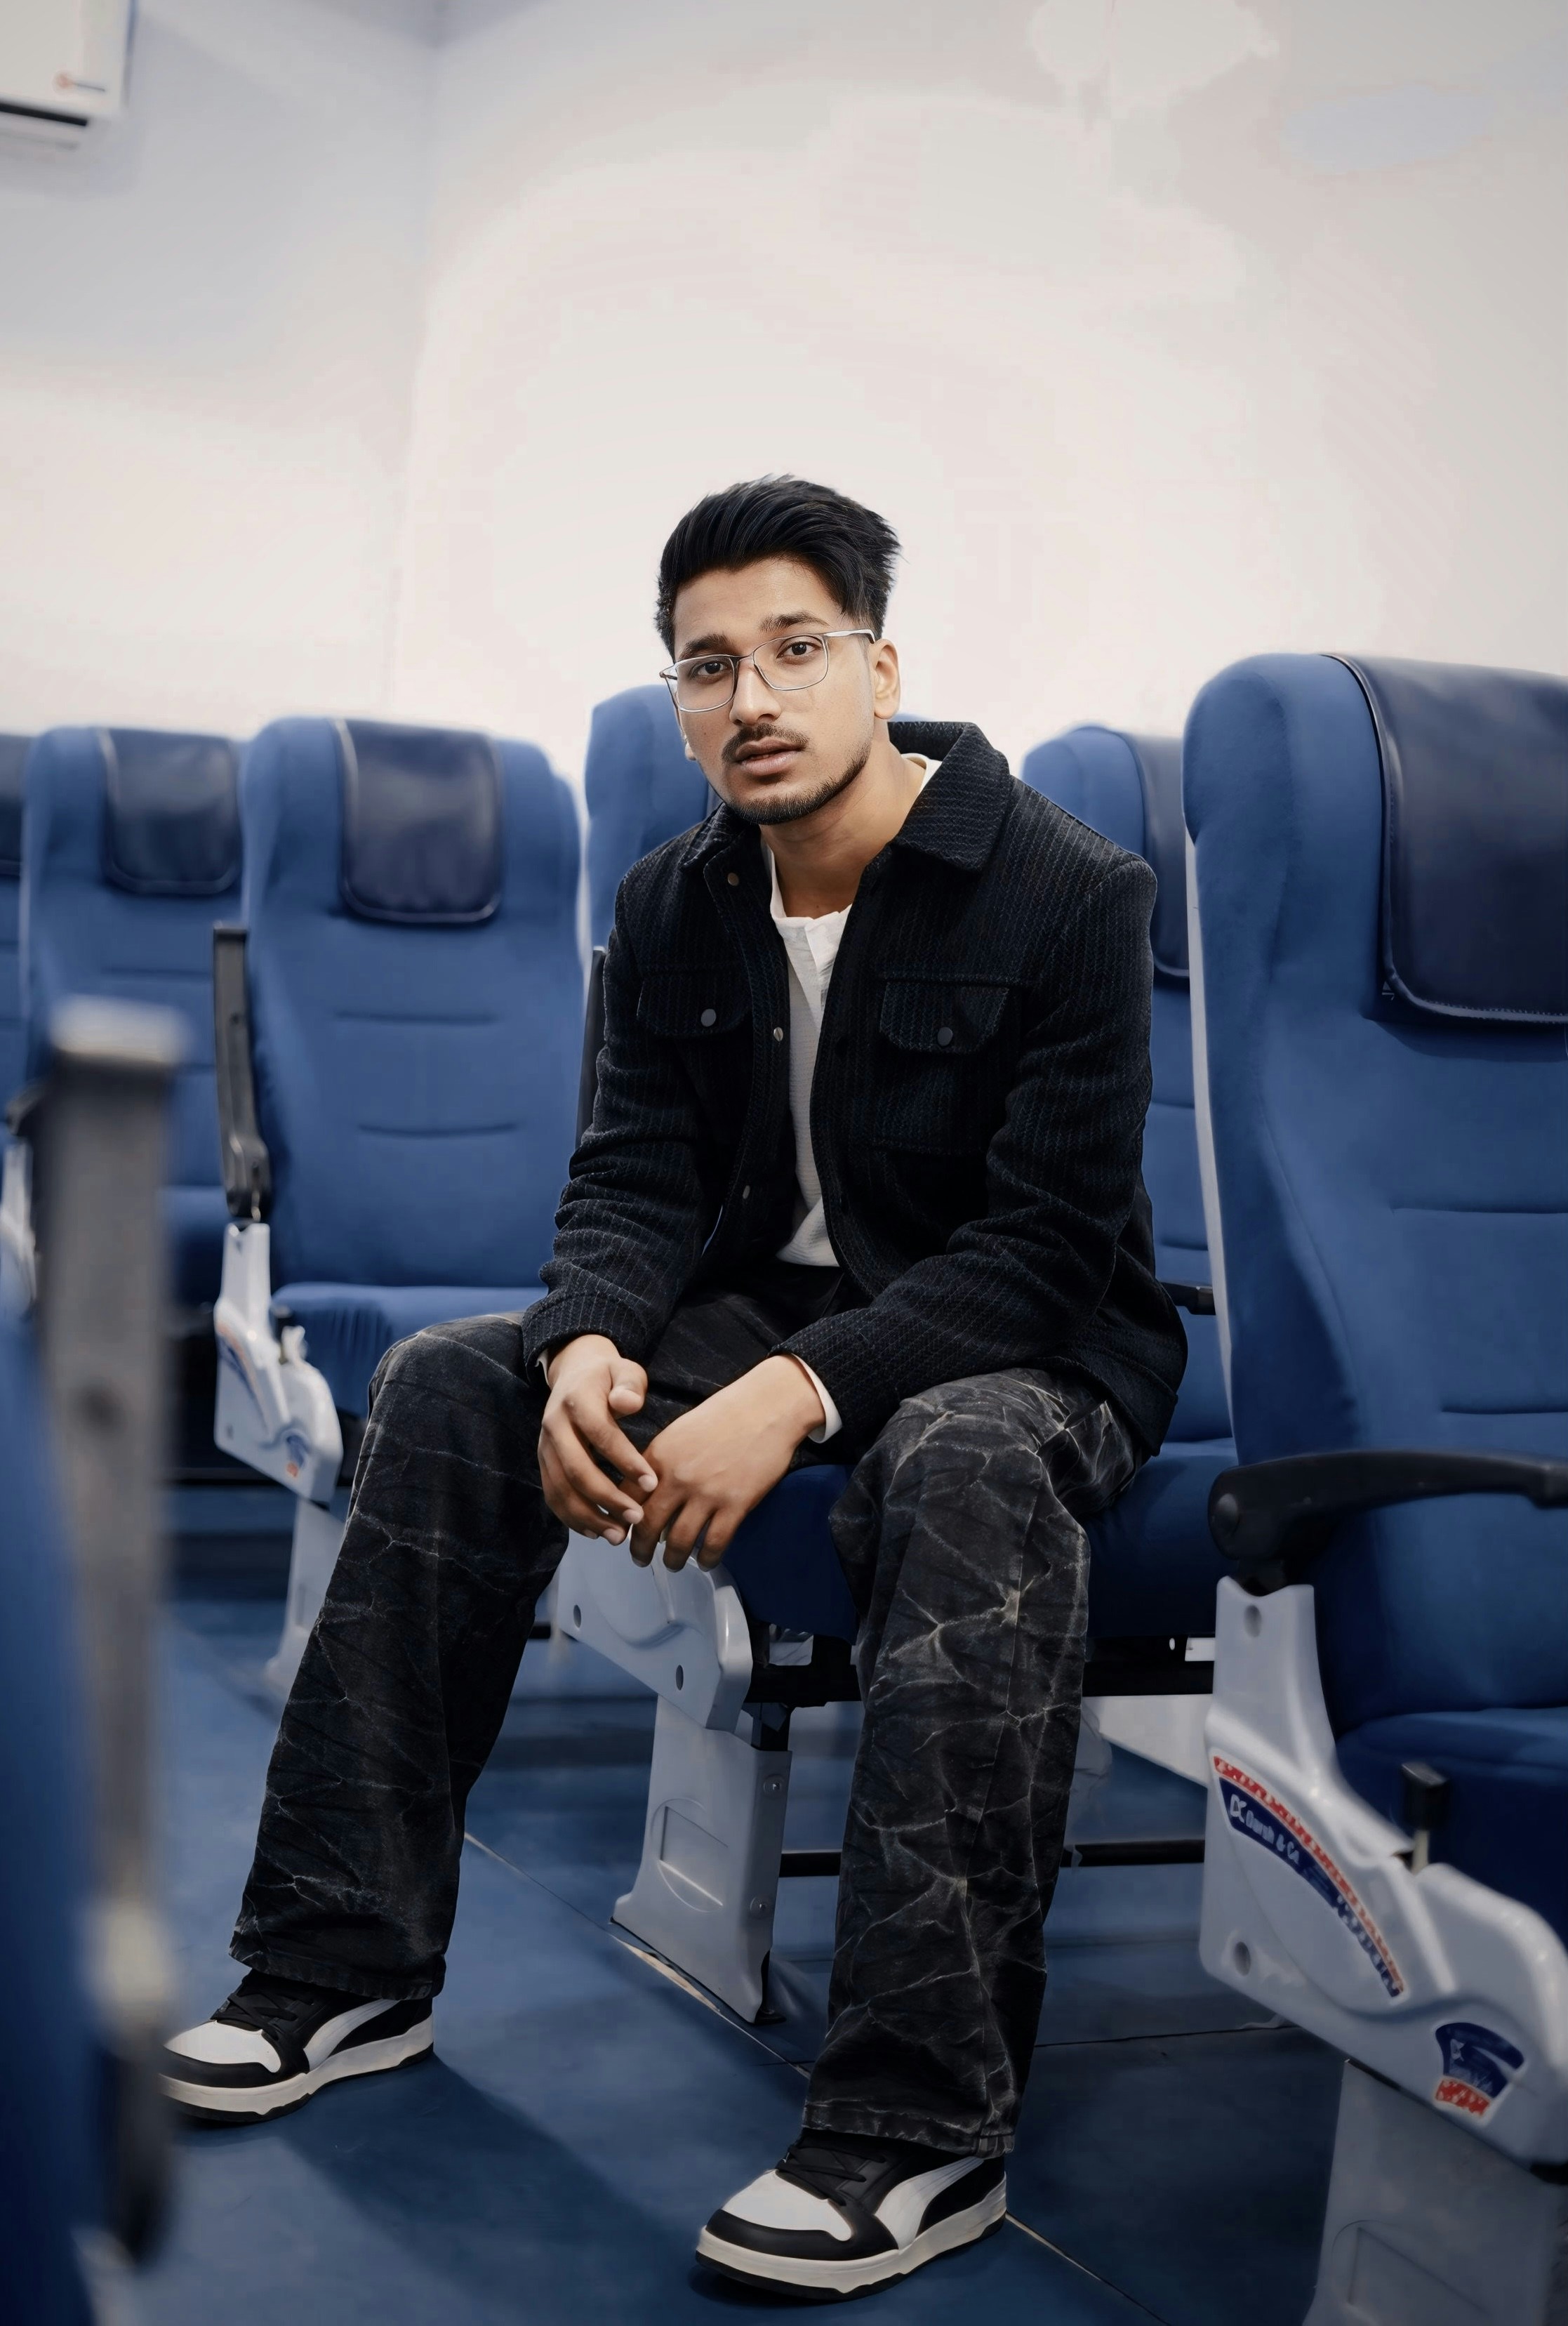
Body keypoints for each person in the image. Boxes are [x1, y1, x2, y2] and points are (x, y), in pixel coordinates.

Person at [161, 476, 1186, 2300]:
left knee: (962, 1459)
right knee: (452, 1381)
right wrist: (585, 1340)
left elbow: (1041, 1252)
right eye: (707, 667)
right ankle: (339, 1966)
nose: (751, 699)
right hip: (768, 1305)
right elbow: (632, 1174)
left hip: (1032, 1342)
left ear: (883, 666)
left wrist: (795, 1389)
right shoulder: (675, 898)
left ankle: (915, 2126)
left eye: (794, 648)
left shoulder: (1068, 892)